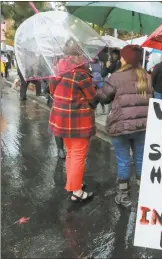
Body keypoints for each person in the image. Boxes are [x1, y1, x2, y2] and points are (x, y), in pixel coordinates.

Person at [96, 45, 152, 207]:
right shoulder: (147, 77)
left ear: (125, 58)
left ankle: (123, 195)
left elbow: (104, 98)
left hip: (120, 126)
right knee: (141, 159)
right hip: (142, 125)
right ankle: (144, 194)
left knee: (123, 161)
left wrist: (100, 88)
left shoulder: (115, 77)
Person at [48, 40, 97, 202]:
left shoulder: (56, 69)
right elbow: (92, 98)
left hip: (61, 118)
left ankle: (73, 184)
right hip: (78, 121)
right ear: (78, 54)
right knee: (78, 155)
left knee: (70, 153)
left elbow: (53, 91)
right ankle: (77, 191)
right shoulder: (80, 73)